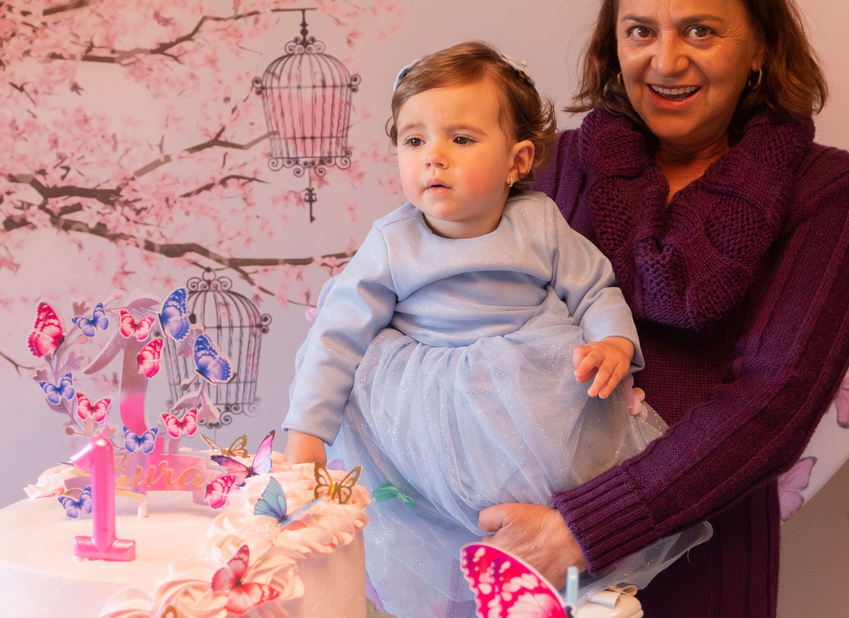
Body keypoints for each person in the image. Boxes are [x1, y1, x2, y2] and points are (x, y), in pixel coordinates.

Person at [477, 0, 849, 616]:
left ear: (759, 47)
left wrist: (583, 529)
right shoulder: (553, 167)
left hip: (701, 573)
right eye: (641, 31)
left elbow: (773, 405)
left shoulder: (827, 191)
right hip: (522, 557)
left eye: (700, 31)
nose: (665, 62)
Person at [282, 42, 702, 617]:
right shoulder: (392, 243)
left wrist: (613, 342)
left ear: (517, 161)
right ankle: (500, 588)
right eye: (414, 141)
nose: (433, 157)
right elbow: (335, 337)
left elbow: (594, 288)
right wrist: (307, 434)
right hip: (433, 406)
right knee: (452, 518)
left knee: (566, 485)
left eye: (460, 139)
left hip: (534, 387)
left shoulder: (540, 223)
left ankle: (576, 585)